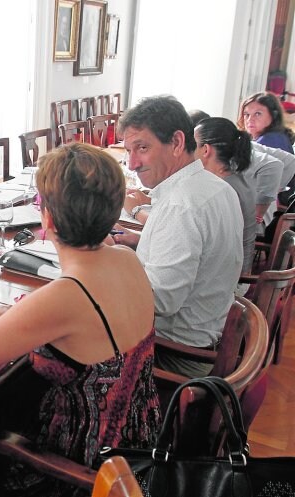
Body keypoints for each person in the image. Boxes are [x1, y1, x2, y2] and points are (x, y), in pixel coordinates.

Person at [0, 143, 161, 495]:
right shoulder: (126, 259)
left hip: (80, 471)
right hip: (139, 444)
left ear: (48, 219)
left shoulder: (66, 296)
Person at [112, 95, 243, 378]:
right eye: (128, 151)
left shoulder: (180, 206)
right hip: (206, 334)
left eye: (142, 148)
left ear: (177, 143)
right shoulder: (216, 187)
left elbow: (158, 301)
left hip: (174, 356)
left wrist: (98, 274)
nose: (132, 163)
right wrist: (135, 246)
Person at [194, 117, 256, 276]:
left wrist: (137, 211)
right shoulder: (233, 176)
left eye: (192, 145)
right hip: (231, 268)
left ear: (206, 150)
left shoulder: (223, 188)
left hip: (232, 280)